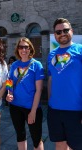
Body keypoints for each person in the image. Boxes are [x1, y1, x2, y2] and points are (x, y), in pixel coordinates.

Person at [47, 18, 82, 150]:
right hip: (55, 110)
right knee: (59, 144)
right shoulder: (51, 55)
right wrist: (50, 103)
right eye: (58, 31)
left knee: (76, 146)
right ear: (55, 34)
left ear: (71, 31)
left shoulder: (80, 50)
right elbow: (50, 80)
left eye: (65, 30)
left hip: (76, 110)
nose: (62, 33)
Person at [6, 37, 44, 150]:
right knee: (20, 135)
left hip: (31, 108)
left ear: (30, 49)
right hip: (15, 107)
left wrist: (33, 111)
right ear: (17, 49)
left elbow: (39, 90)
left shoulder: (36, 65)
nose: (24, 50)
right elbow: (9, 82)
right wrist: (9, 93)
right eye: (21, 47)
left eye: (26, 47)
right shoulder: (14, 65)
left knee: (36, 138)